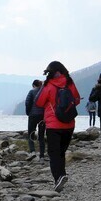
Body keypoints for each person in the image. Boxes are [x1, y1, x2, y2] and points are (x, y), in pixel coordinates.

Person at [35, 60, 81, 191]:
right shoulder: (69, 82)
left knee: (54, 153)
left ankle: (58, 178)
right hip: (69, 124)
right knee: (61, 151)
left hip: (54, 125)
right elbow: (76, 100)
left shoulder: (48, 85)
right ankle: (62, 175)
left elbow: (39, 102)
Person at [24, 79, 46, 158]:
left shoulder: (31, 92)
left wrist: (28, 113)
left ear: (34, 85)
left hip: (32, 115)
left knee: (31, 134)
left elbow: (27, 103)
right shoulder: (44, 92)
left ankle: (33, 152)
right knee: (41, 136)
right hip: (42, 116)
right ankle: (42, 155)